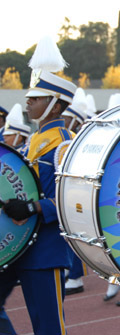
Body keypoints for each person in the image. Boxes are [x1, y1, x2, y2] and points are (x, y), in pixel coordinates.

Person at [0, 35, 77, 334]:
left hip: (45, 250)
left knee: (48, 327)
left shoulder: (64, 146)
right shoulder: (33, 142)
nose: (28, 101)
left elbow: (71, 201)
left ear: (55, 107)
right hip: (16, 245)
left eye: (37, 97)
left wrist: (32, 206)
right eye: (30, 97)